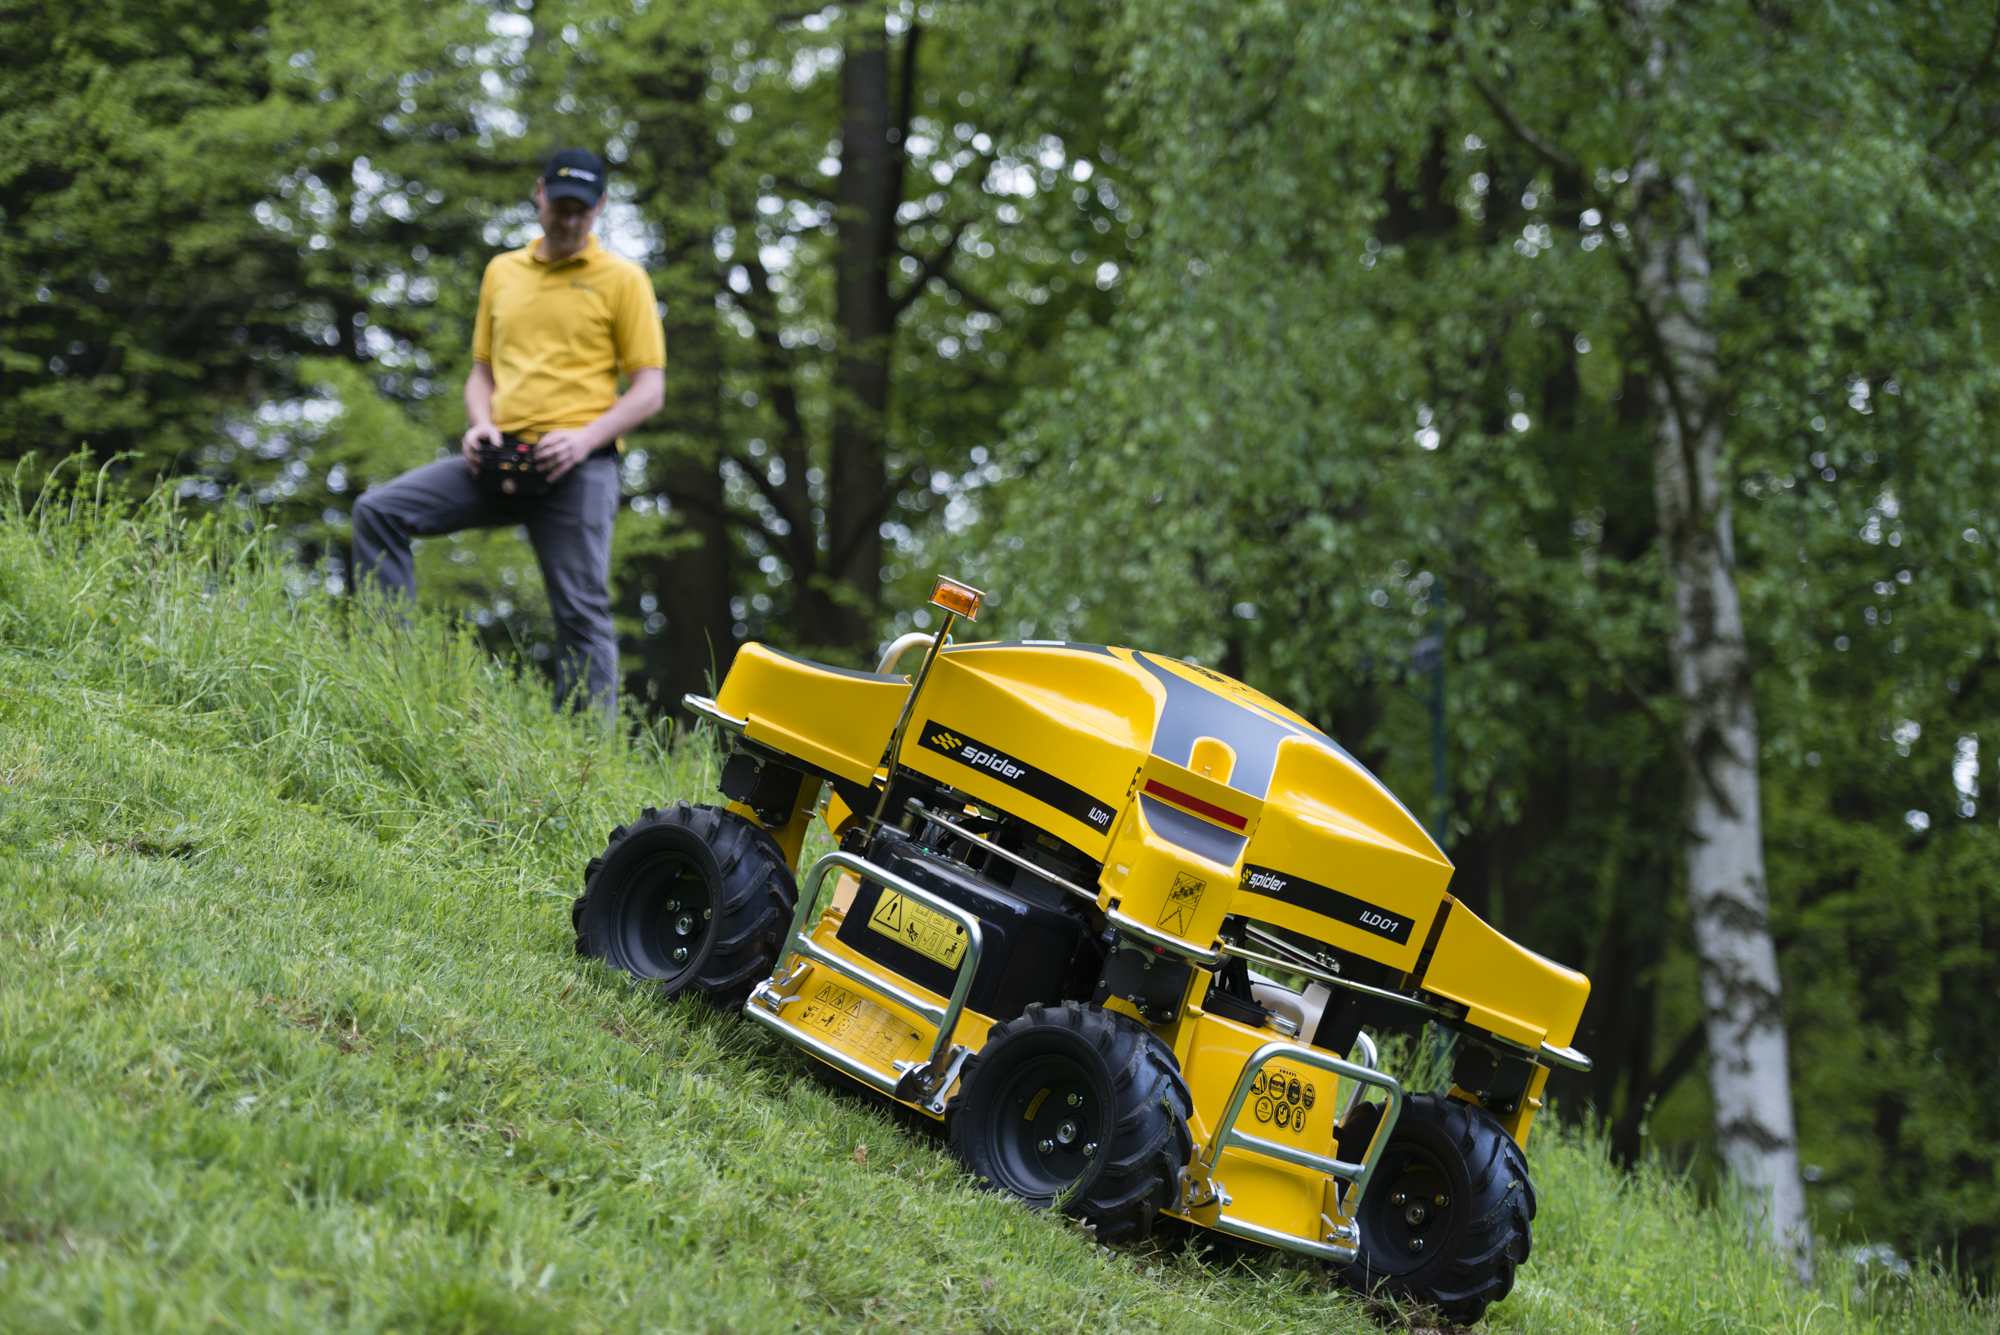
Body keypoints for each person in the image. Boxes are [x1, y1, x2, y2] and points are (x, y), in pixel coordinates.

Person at [351, 148, 665, 717]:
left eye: (583, 209)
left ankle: (585, 755)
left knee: (581, 609)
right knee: (379, 511)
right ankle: (384, 675)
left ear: (600, 207)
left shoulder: (624, 280)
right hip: (498, 456)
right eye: (561, 206)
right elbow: (482, 372)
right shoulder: (503, 271)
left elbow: (649, 389)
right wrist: (481, 425)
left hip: (579, 465)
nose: (569, 221)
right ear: (539, 194)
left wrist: (582, 439)